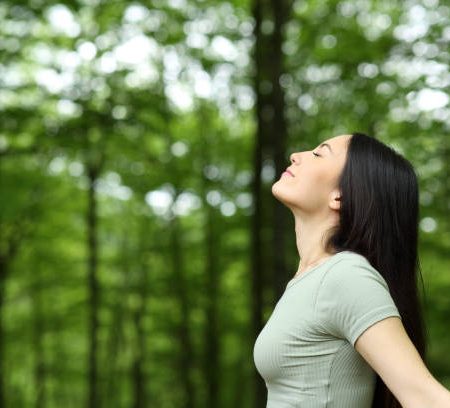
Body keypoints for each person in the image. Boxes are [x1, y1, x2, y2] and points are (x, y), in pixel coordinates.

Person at [253, 133, 450, 408]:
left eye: (319, 153)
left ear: (341, 196)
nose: (296, 155)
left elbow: (424, 398)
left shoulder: (345, 276)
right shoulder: (308, 280)